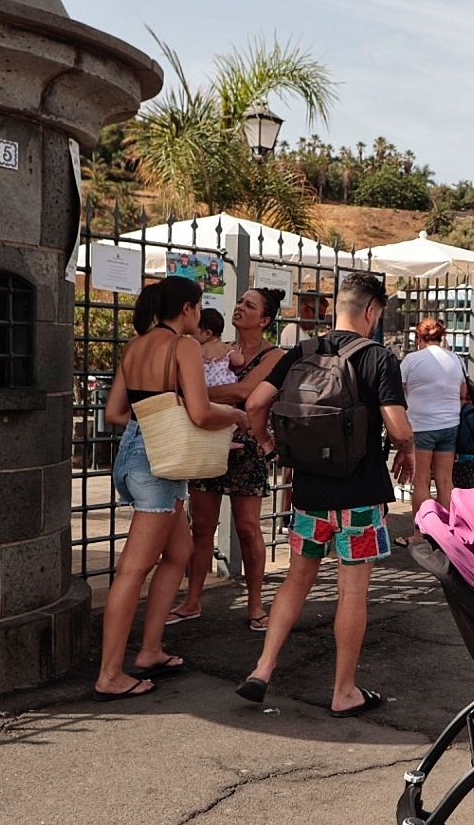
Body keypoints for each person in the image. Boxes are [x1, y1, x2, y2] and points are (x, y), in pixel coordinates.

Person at [236, 272, 415, 716]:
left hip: (308, 492)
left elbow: (256, 403)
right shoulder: (378, 358)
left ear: (340, 306)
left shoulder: (302, 351)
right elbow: (397, 428)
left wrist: (268, 444)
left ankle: (262, 668)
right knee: (352, 591)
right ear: (371, 311)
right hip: (358, 495)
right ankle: (344, 691)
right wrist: (407, 449)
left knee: (297, 580)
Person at [95, 277, 248, 701]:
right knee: (132, 569)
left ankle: (149, 650)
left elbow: (115, 412)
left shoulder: (135, 346)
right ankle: (110, 674)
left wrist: (155, 430)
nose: (199, 318)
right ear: (187, 309)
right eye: (198, 308)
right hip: (157, 468)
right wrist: (235, 417)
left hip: (133, 455)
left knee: (179, 553)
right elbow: (199, 412)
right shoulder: (183, 345)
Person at [171, 288, 287, 632]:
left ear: (264, 320)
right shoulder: (219, 349)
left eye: (249, 305)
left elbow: (244, 391)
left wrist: (195, 395)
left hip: (247, 445)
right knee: (202, 526)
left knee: (249, 528)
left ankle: (255, 605)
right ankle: (192, 601)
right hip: (208, 441)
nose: (239, 308)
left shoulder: (275, 355)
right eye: (239, 302)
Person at [396, 317, 468, 548]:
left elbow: (398, 391)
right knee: (446, 481)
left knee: (422, 481)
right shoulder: (456, 360)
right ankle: (447, 534)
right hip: (449, 425)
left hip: (421, 426)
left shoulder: (412, 360)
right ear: (442, 337)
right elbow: (464, 392)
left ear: (419, 338)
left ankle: (420, 535)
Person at [195, 307, 234, 387]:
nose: (191, 335)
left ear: (208, 333)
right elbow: (239, 361)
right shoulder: (226, 347)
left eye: (194, 331)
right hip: (225, 384)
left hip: (205, 385)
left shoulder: (199, 348)